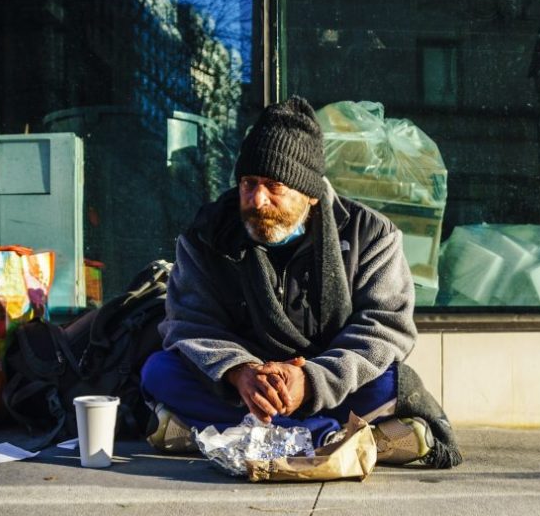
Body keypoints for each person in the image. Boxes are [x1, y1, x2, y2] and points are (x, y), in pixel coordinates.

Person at [140, 96, 462, 468]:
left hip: (328, 383)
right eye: (248, 183)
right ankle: (332, 437)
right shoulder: (207, 234)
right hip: (242, 390)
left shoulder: (371, 235)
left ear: (309, 193)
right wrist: (240, 372)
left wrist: (309, 381)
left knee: (392, 381)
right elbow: (188, 322)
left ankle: (218, 433)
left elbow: (385, 329)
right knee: (159, 371)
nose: (257, 200)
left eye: (274, 185)